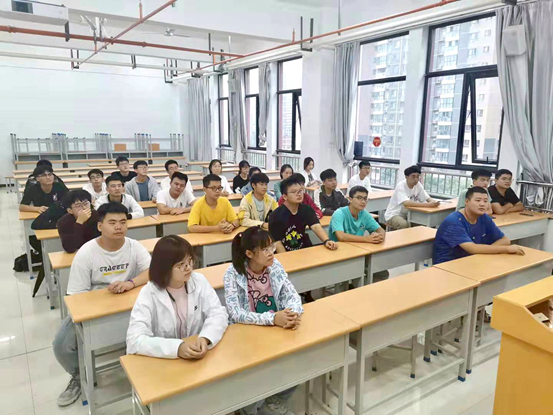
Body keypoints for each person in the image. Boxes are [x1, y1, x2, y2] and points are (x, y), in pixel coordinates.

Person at [52, 202, 151, 407]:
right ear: (100, 226)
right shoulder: (87, 252)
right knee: (61, 344)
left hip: (129, 303)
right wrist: (103, 299)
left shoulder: (134, 246)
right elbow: (76, 296)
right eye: (112, 223)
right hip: (94, 308)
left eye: (122, 222)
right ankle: (78, 375)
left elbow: (152, 271)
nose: (119, 227)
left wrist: (130, 283)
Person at [224, 227, 302, 415]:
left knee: (301, 360)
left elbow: (292, 295)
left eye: (271, 247)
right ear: (249, 253)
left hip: (277, 329)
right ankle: (247, 407)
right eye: (265, 249)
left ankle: (274, 402)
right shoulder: (233, 273)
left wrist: (292, 314)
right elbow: (236, 313)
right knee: (256, 376)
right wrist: (273, 318)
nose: (271, 253)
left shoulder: (275, 266)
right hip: (248, 334)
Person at [127, 235, 228, 360]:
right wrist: (176, 348)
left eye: (190, 261)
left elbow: (218, 313)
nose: (188, 268)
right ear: (164, 267)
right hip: (164, 361)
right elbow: (135, 340)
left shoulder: (198, 281)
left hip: (198, 355)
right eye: (181, 265)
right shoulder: (149, 293)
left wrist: (206, 337)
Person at [433, 187, 525, 265]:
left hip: (473, 260)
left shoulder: (483, 217)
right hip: (449, 265)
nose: (482, 204)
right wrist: (506, 249)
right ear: (466, 201)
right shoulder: (453, 221)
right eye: (478, 200)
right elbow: (473, 248)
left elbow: (505, 240)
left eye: (485, 201)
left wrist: (484, 251)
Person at [329, 186, 389, 282]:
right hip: (339, 253)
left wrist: (380, 236)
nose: (363, 201)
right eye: (359, 198)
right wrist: (367, 239)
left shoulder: (364, 214)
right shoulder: (339, 213)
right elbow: (341, 236)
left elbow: (380, 230)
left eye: (365, 199)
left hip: (358, 252)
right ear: (350, 199)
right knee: (357, 272)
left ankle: (360, 286)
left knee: (383, 273)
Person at [269, 174, 337, 253]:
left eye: (300, 191)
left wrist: (326, 240)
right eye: (294, 192)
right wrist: (286, 258)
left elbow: (315, 226)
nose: (299, 194)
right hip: (286, 251)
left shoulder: (306, 209)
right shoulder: (275, 215)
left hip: (304, 249)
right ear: (285, 196)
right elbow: (277, 242)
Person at [384, 165, 440, 230]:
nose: (416, 179)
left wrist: (434, 203)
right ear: (406, 177)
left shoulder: (418, 185)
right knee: (404, 225)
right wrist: (428, 205)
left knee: (424, 223)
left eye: (418, 177)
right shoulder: (401, 186)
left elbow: (427, 198)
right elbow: (406, 203)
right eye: (413, 177)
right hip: (394, 214)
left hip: (409, 214)